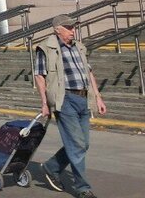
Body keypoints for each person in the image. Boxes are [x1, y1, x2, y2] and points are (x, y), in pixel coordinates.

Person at [35, 14, 106, 198]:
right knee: (77, 144)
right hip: (64, 100)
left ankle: (51, 167)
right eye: (68, 27)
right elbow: (40, 76)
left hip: (83, 98)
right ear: (57, 30)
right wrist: (44, 103)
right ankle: (82, 188)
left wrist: (98, 97)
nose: (73, 30)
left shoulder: (79, 47)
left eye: (73, 27)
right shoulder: (46, 48)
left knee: (83, 144)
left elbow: (89, 73)